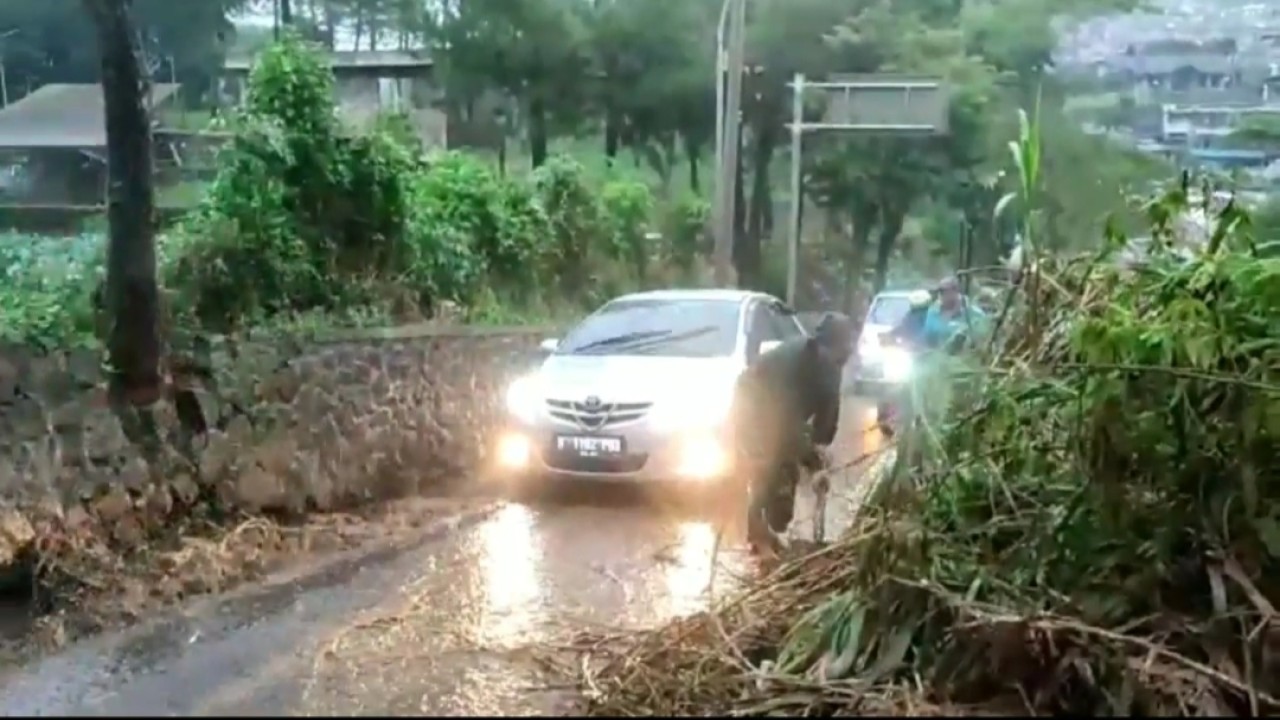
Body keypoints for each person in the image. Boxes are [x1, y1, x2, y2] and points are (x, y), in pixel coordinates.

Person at [732, 313, 854, 556]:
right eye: (833, 353)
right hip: (756, 406)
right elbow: (785, 423)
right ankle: (757, 536)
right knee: (766, 466)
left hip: (789, 416)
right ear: (819, 345)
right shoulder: (791, 363)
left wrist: (820, 455)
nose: (837, 360)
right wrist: (809, 459)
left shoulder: (833, 364)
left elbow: (829, 410)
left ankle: (773, 525)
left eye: (841, 355)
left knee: (783, 508)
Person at [922, 276, 987, 350]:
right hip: (940, 356)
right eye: (939, 291)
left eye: (943, 291)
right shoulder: (934, 312)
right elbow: (930, 335)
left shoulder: (973, 313)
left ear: (955, 291)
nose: (940, 295)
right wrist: (951, 314)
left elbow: (984, 334)